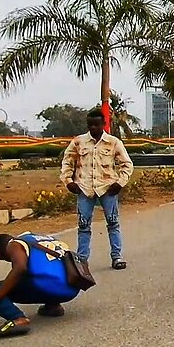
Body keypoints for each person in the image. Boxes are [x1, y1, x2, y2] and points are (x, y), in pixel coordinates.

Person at [60, 108, 134, 270]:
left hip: (108, 188)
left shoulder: (113, 142)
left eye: (96, 124)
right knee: (84, 225)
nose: (93, 127)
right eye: (90, 124)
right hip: (84, 188)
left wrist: (120, 183)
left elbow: (127, 165)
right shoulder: (78, 142)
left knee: (113, 223)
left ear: (103, 124)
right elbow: (67, 162)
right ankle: (82, 259)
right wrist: (68, 181)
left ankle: (117, 256)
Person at [0, 232, 82, 339]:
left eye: (3, 258)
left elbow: (20, 268)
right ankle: (53, 306)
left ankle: (18, 319)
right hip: (72, 289)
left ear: (0, 253)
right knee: (36, 270)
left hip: (49, 287)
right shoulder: (42, 239)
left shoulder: (13, 245)